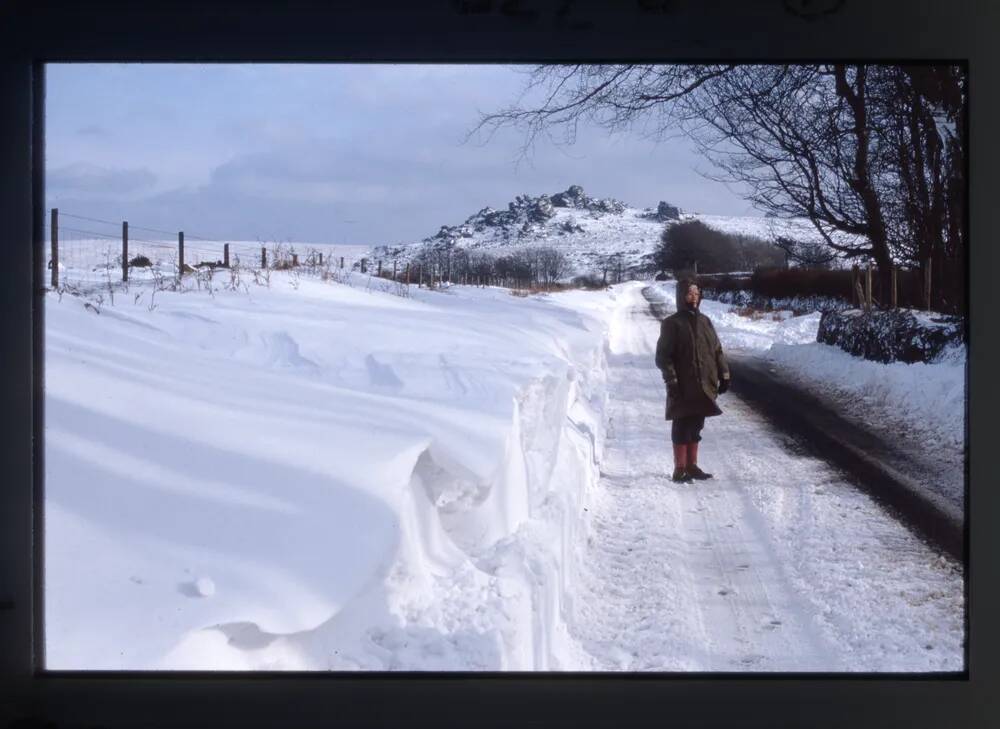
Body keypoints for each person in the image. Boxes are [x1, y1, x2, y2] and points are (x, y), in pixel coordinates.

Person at [654, 279, 731, 483]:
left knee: (696, 426)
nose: (694, 297)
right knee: (681, 426)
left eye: (697, 293)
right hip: (682, 385)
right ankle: (679, 468)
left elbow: (717, 350)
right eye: (689, 293)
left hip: (705, 384)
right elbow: (663, 357)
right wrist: (672, 380)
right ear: (681, 296)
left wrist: (724, 375)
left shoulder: (706, 322)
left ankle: (692, 465)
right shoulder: (672, 323)